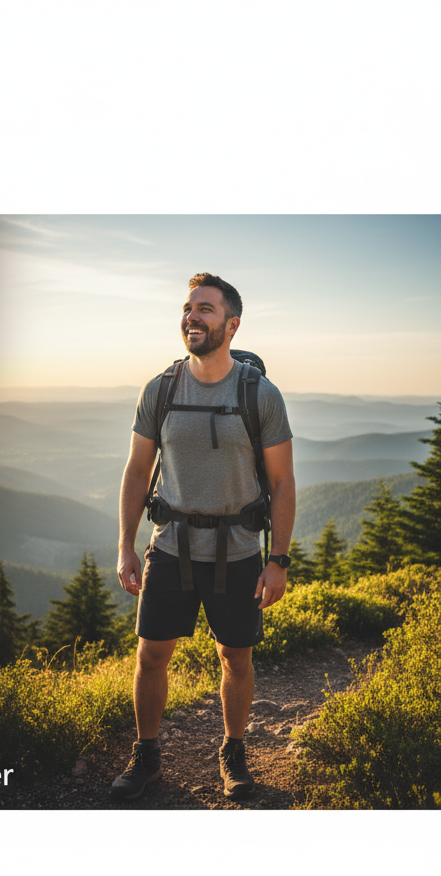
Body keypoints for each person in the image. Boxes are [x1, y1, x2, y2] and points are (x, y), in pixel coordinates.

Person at [112, 273, 295, 801]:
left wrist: (277, 559)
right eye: (189, 307)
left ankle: (233, 754)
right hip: (169, 546)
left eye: (206, 309)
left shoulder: (260, 395)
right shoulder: (161, 388)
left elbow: (282, 483)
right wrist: (126, 544)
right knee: (151, 655)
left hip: (237, 551)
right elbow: (135, 469)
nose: (192, 316)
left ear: (231, 324)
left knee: (236, 656)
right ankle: (146, 755)